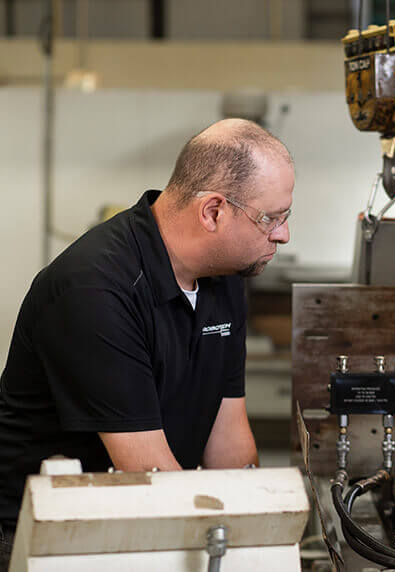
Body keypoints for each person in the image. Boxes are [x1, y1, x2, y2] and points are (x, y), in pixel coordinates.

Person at [0, 118, 294, 570]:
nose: (282, 235)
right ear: (213, 211)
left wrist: (259, 535)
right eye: (270, 218)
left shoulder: (226, 278)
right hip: (43, 537)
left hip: (138, 516)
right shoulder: (95, 289)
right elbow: (148, 473)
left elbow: (228, 437)